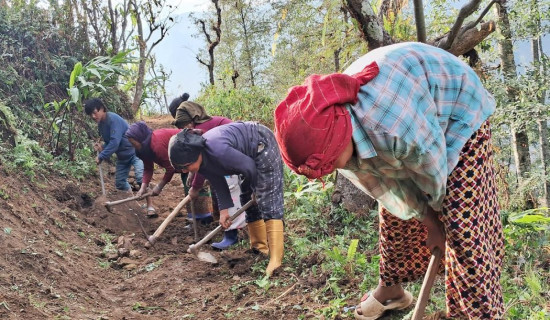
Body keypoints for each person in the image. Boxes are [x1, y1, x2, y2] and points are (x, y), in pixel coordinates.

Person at [274, 42, 503, 319]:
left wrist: (439, 223)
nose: (330, 170)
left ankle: (476, 313)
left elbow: (434, 175)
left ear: (342, 136)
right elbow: (388, 190)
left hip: (458, 105)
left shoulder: (393, 129)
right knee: (395, 209)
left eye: (330, 164)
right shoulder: (334, 135)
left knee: (461, 223)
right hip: (410, 105)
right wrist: (428, 221)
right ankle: (392, 291)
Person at [168, 122, 285, 276]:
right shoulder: (202, 161)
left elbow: (249, 166)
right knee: (246, 197)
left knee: (267, 198)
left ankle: (276, 259)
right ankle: (259, 249)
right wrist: (224, 212)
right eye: (181, 169)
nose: (185, 171)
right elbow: (218, 182)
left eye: (186, 167)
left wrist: (256, 190)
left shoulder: (219, 151)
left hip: (262, 144)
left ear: (194, 156)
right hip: (248, 157)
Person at [168, 93, 252, 248]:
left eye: (186, 125)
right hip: (224, 157)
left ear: (193, 120)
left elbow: (201, 165)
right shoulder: (195, 130)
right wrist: (192, 175)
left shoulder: (201, 130)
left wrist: (195, 187)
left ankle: (232, 235)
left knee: (232, 190)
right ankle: (231, 229)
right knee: (221, 191)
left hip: (233, 156)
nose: (185, 129)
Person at [84, 98, 144, 193]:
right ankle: (132, 202)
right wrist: (102, 147)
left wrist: (102, 156)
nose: (93, 116)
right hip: (122, 157)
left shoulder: (113, 119)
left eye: (95, 112)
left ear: (102, 108)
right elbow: (110, 141)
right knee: (120, 183)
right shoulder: (101, 125)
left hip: (135, 153)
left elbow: (115, 142)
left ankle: (150, 206)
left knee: (141, 178)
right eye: (90, 114)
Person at [125, 121, 181, 218]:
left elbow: (170, 168)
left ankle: (203, 218)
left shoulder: (157, 145)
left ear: (140, 138)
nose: (133, 146)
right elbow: (148, 169)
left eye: (134, 143)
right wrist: (142, 188)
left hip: (187, 153)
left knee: (194, 186)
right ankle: (194, 218)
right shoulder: (142, 150)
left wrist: (159, 187)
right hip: (180, 162)